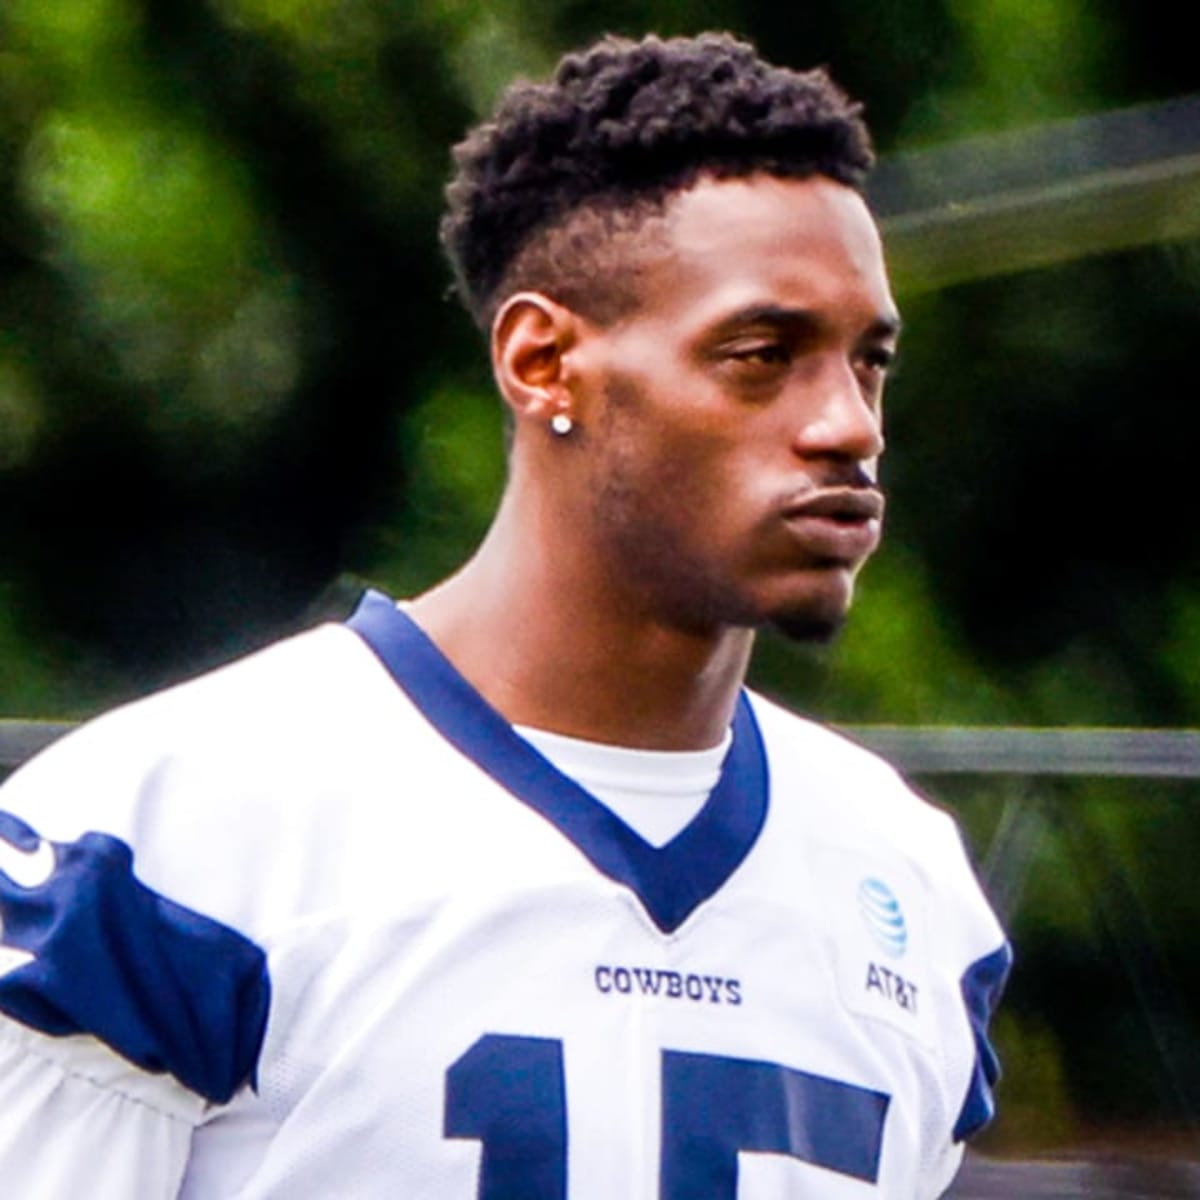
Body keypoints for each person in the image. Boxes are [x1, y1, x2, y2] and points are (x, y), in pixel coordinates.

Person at [0, 31, 1009, 1199]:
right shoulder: (163, 842)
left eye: (868, 362)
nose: (848, 425)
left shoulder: (910, 885)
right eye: (760, 354)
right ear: (542, 362)